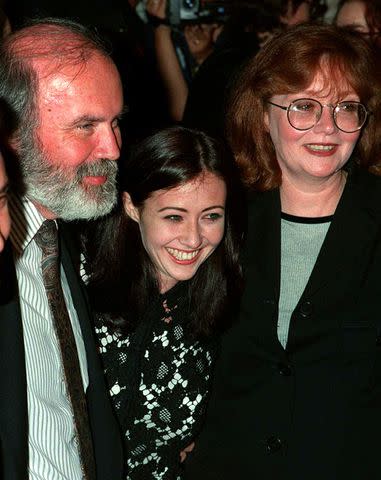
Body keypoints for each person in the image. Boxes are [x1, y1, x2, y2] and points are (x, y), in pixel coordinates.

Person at [184, 23, 381, 480]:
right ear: (262, 114)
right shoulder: (218, 214)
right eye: (305, 107)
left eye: (346, 108)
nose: (327, 127)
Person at [82, 126, 246, 479]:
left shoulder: (225, 302)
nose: (193, 238)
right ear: (131, 207)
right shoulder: (78, 281)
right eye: (174, 216)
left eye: (211, 216)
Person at [0, 18, 124, 479]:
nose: (111, 148)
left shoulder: (60, 231)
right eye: (86, 125)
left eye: (115, 123)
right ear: (13, 134)